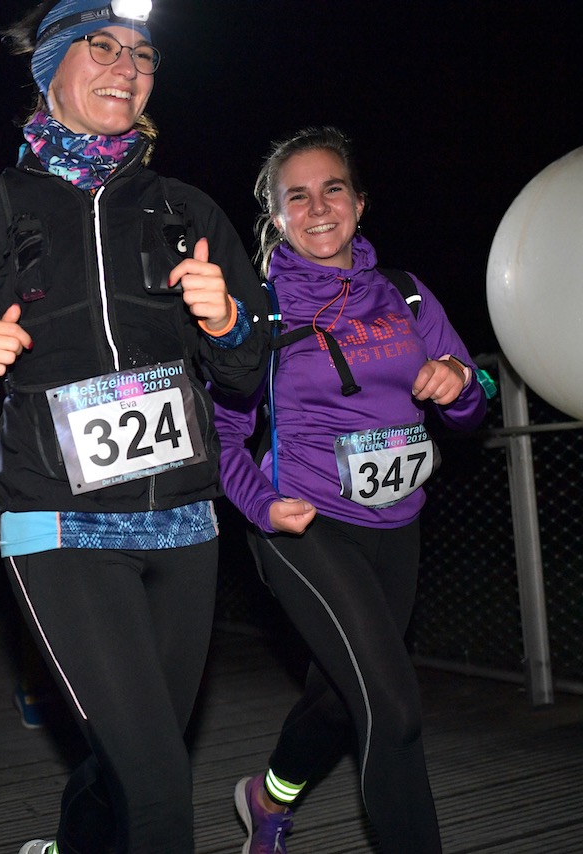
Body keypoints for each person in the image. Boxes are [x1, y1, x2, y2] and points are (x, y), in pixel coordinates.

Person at [0, 2, 270, 851]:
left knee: (135, 755)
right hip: (59, 521)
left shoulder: (187, 210)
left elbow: (250, 371)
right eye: (102, 48)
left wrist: (230, 322)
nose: (126, 67)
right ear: (50, 68)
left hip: (185, 523)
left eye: (143, 55)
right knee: (163, 784)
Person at [213, 126, 490, 854]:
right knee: (392, 707)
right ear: (276, 217)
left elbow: (472, 398)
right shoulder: (259, 310)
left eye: (332, 188)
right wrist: (260, 505)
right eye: (296, 196)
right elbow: (218, 431)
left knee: (340, 698)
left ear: (360, 203)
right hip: (305, 523)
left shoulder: (404, 292)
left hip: (397, 520)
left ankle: (266, 799)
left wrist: (460, 386)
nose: (318, 207)